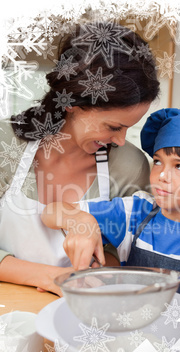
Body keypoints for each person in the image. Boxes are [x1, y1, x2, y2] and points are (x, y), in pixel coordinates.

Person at [42, 107, 180, 323]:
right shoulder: (135, 212)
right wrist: (81, 220)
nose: (162, 175)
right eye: (158, 161)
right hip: (128, 337)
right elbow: (52, 212)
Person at [0, 21, 160, 296]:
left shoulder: (129, 166)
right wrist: (54, 278)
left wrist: (94, 270)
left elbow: (123, 253)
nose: (121, 141)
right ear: (73, 104)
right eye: (113, 127)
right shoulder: (6, 145)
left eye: (128, 128)